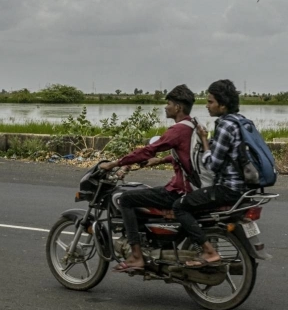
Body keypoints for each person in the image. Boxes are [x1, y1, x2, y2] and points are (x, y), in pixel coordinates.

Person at [99, 84, 197, 272]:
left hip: (179, 189)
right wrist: (160, 161)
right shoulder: (194, 125)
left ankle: (136, 256)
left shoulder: (177, 130)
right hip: (192, 186)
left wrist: (114, 164)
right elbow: (185, 155)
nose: (166, 107)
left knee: (126, 199)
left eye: (168, 103)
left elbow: (148, 150)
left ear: (178, 107)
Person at [173, 79, 247, 268]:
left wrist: (205, 141)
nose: (207, 106)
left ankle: (209, 251)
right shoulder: (241, 121)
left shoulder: (225, 126)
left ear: (223, 104)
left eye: (210, 102)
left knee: (180, 206)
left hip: (227, 188)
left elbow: (212, 164)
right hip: (241, 186)